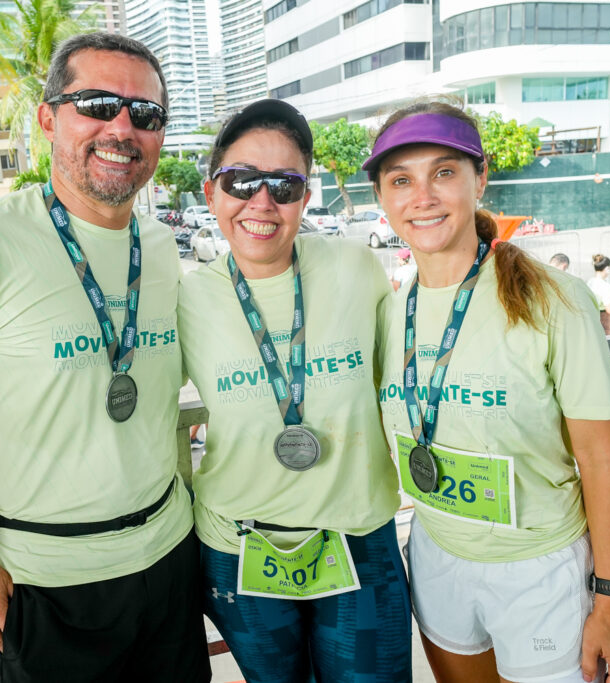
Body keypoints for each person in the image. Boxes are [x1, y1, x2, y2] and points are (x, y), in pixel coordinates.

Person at [0, 33, 210, 682]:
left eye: (144, 114)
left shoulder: (162, 247)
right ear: (47, 117)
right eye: (95, 103)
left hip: (170, 561)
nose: (121, 127)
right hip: (46, 585)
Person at [369, 99, 610, 683]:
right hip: (437, 552)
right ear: (382, 198)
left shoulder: (556, 298)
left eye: (444, 172)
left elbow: (600, 456)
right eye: (401, 180)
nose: (423, 196)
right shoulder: (389, 312)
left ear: (480, 177)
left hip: (540, 567)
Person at [178, 99, 412, 682]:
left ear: (305, 199)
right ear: (212, 193)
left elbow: (409, 379)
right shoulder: (184, 299)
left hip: (359, 538)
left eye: (284, 185)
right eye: (241, 181)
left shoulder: (355, 269)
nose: (262, 201)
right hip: (239, 549)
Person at [587, 254, 610, 336]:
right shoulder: (605, 286)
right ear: (607, 268)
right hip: (604, 321)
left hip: (592, 319)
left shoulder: (591, 282)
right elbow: (609, 309)